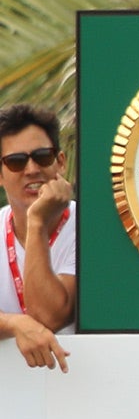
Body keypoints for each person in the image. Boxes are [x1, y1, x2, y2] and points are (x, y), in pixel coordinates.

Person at [0, 103, 75, 372]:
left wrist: (37, 222)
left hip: (81, 392)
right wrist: (15, 323)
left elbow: (48, 316)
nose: (31, 169)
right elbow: (32, 321)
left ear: (61, 162)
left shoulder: (87, 227)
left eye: (42, 156)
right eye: (16, 161)